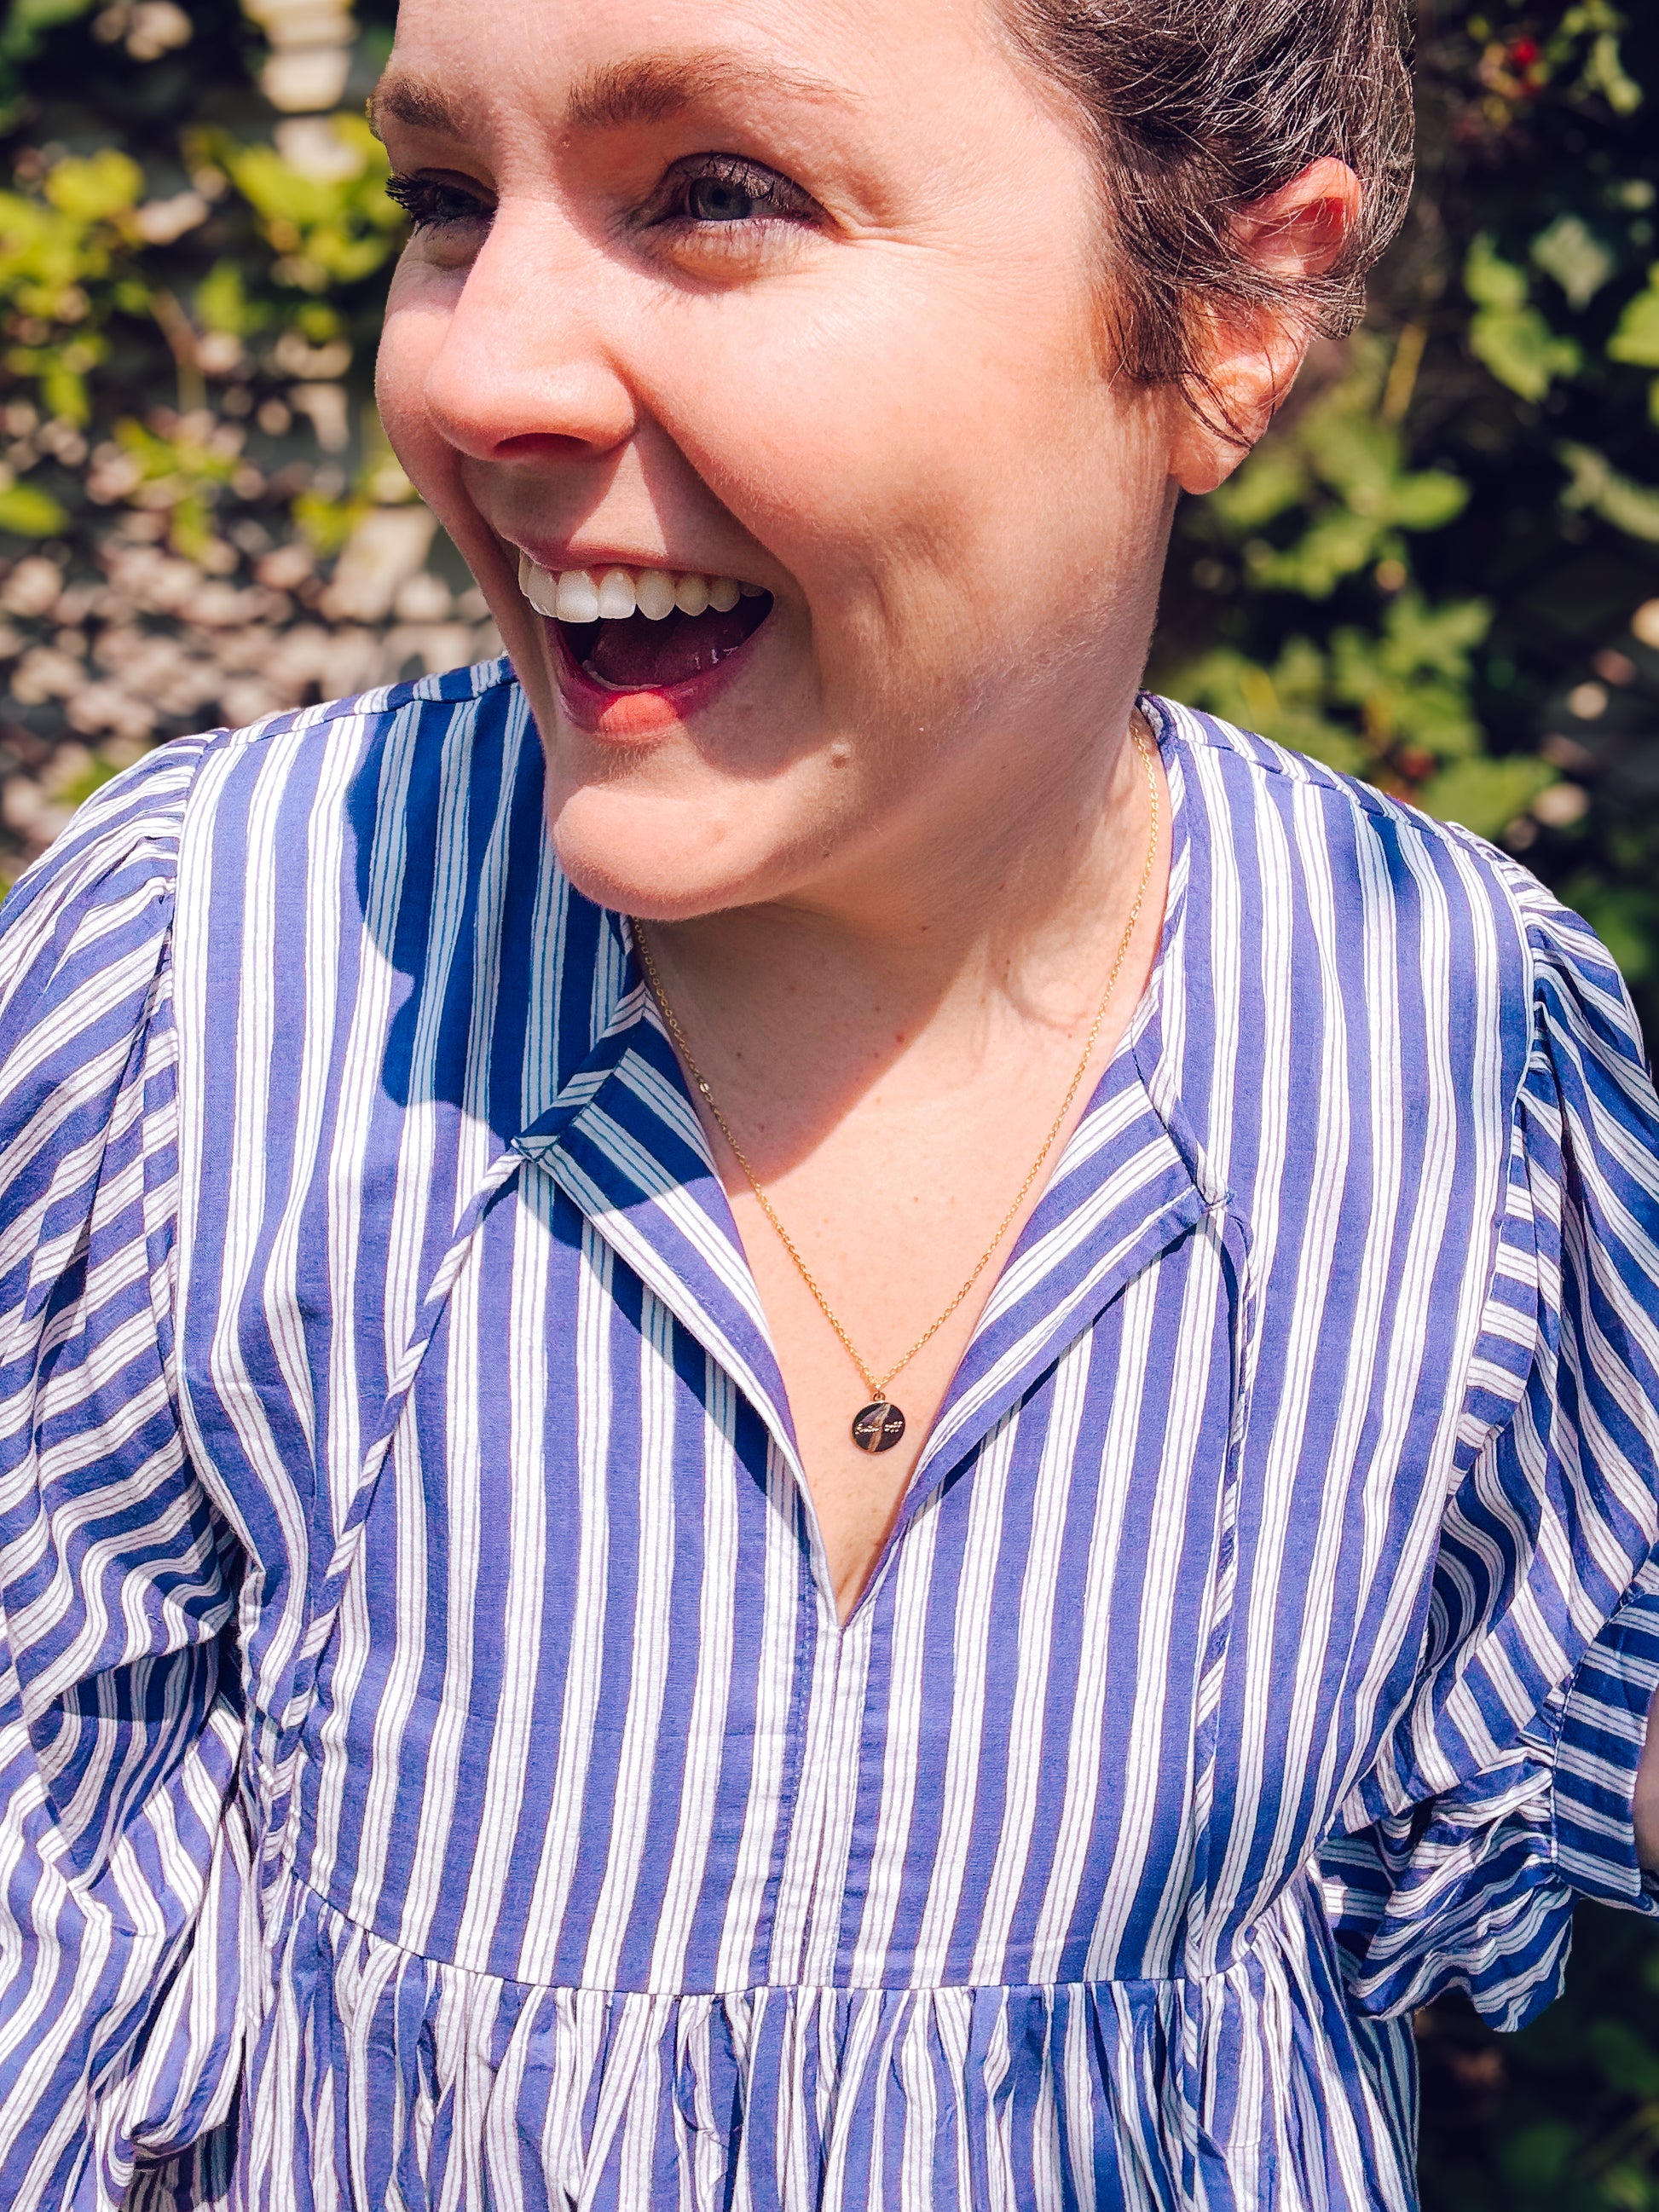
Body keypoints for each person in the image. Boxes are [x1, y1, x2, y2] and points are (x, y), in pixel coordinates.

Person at [2, 0, 1657, 2204]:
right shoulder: (206, 978)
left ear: (1231, 316)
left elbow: (1538, 1735)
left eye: (715, 195)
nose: (478, 375)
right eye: (443, 201)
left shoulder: (1461, 1044)